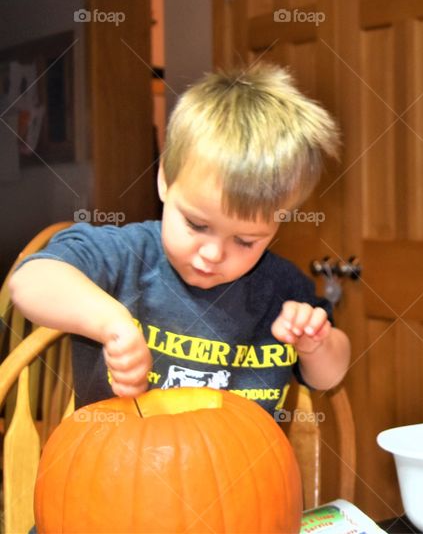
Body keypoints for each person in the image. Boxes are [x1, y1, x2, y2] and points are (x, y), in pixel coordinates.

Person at [10, 64, 350, 416]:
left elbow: (329, 376)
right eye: (197, 224)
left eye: (246, 241)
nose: (213, 253)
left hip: (239, 470)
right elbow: (29, 282)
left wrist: (316, 345)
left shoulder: (281, 289)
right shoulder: (126, 255)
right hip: (119, 466)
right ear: (164, 181)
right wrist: (110, 322)